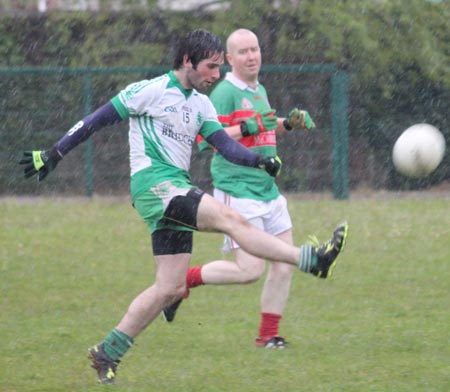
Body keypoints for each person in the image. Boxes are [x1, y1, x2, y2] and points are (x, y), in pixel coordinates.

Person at [19, 29, 348, 385]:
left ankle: (107, 351)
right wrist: (54, 152)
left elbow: (223, 144)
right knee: (230, 218)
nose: (216, 75)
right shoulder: (150, 90)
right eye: (210, 67)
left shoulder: (202, 104)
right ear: (188, 62)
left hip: (174, 189)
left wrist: (258, 161)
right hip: (155, 186)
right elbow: (96, 119)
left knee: (171, 288)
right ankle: (311, 260)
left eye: (220, 67)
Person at [162, 28, 343, 349]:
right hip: (237, 189)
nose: (252, 56)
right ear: (229, 59)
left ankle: (268, 336)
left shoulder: (258, 89)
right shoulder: (225, 92)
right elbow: (205, 140)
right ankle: (183, 282)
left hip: (268, 191)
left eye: (255, 49)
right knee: (249, 271)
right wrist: (247, 127)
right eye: (243, 52)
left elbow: (263, 128)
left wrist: (290, 123)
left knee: (286, 262)